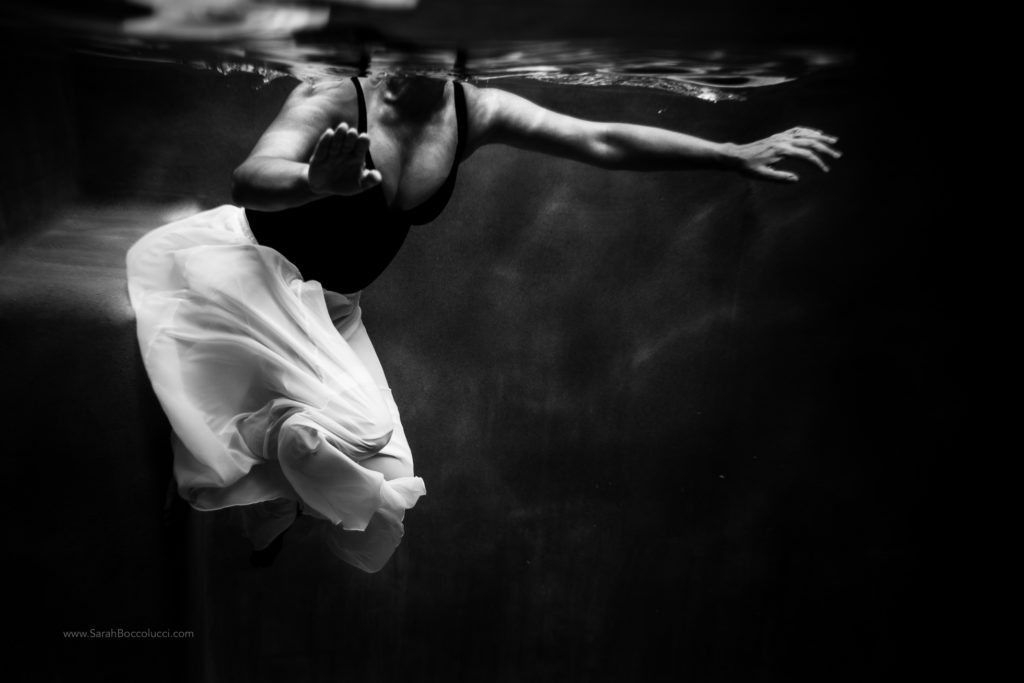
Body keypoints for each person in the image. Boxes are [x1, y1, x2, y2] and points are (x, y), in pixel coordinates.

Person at [126, 73, 840, 573]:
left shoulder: (475, 110)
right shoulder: (331, 92)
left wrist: (731, 154)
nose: (424, 60)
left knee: (387, 478)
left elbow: (598, 139)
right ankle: (251, 478)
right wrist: (316, 182)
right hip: (252, 279)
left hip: (334, 308)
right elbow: (250, 178)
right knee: (334, 439)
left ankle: (267, 507)